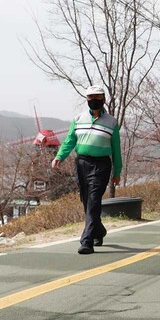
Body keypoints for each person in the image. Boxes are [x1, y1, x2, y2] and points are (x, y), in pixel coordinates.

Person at [51, 85, 123, 254]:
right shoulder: (78, 119)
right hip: (82, 163)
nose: (94, 101)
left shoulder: (111, 122)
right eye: (91, 98)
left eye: (97, 97)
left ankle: (87, 241)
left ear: (104, 99)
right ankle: (99, 230)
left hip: (102, 165)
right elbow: (70, 141)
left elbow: (116, 149)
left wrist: (117, 172)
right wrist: (59, 156)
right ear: (87, 100)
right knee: (86, 201)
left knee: (93, 199)